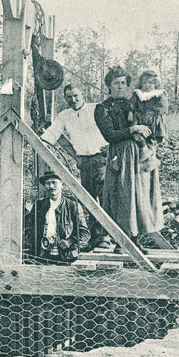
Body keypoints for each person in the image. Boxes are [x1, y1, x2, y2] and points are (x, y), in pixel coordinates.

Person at [94, 66, 164, 244]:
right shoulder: (102, 109)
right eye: (116, 83)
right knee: (123, 198)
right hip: (121, 156)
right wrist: (133, 129)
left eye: (123, 83)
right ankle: (122, 242)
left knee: (142, 197)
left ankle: (138, 240)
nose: (120, 86)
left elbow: (151, 119)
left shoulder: (134, 103)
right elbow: (110, 135)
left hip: (140, 157)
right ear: (109, 86)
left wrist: (147, 133)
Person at [40, 83, 111, 249]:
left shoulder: (97, 109)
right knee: (88, 200)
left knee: (105, 199)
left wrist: (111, 146)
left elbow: (113, 129)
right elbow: (52, 135)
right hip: (84, 163)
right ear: (65, 98)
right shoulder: (65, 115)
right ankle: (95, 237)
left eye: (76, 96)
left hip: (102, 160)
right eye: (69, 97)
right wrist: (75, 156)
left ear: (83, 94)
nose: (73, 100)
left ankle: (106, 237)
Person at [26, 171, 90, 264]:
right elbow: (26, 225)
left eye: (54, 182)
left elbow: (84, 233)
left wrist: (70, 242)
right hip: (42, 255)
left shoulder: (72, 206)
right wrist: (30, 201)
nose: (51, 186)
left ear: (61, 184)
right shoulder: (39, 205)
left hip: (65, 255)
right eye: (48, 183)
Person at [132, 69, 167, 172]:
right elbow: (132, 105)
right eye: (145, 82)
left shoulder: (159, 94)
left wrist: (146, 114)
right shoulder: (138, 94)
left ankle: (151, 158)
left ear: (156, 84)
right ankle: (147, 158)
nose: (148, 85)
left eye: (151, 83)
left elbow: (162, 109)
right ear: (141, 83)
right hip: (139, 121)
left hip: (153, 122)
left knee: (150, 141)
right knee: (136, 136)